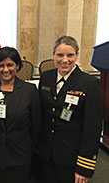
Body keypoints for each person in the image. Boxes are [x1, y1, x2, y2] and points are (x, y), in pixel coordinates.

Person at [38, 36, 102, 183]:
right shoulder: (46, 78)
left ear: (77, 56)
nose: (65, 60)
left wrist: (84, 167)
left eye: (70, 55)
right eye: (60, 55)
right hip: (45, 154)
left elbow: (92, 128)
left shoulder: (90, 83)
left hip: (71, 157)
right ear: (53, 55)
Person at [0, 47, 41, 183]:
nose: (5, 70)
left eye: (10, 65)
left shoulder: (29, 90)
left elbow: (36, 126)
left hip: (20, 156)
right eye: (1, 65)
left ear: (17, 66)